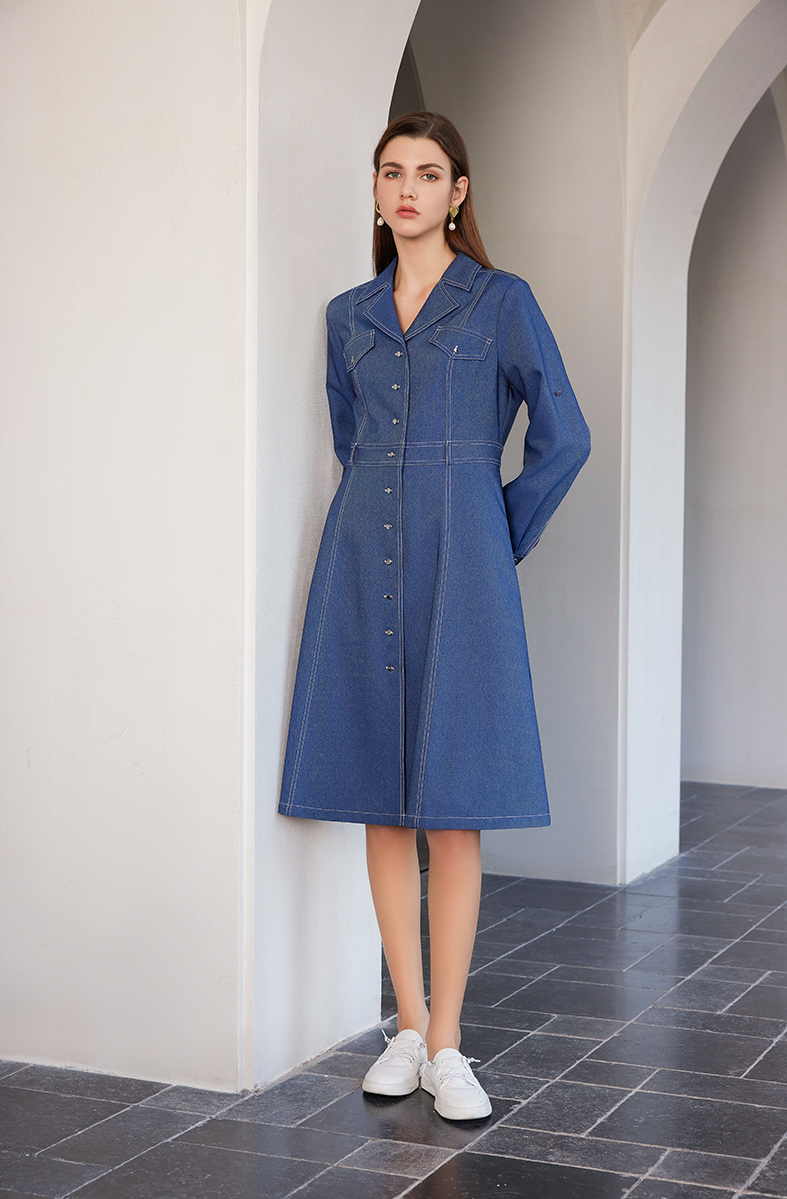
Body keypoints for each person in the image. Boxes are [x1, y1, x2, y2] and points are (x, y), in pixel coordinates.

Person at [279, 112, 590, 1121]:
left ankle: (449, 1040)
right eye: (390, 172)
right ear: (375, 192)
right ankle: (407, 1027)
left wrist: (495, 534)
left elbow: (565, 434)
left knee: (453, 806)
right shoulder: (347, 315)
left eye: (426, 172)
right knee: (383, 795)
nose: (406, 188)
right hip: (362, 556)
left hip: (464, 561)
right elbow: (351, 440)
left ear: (458, 192)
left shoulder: (501, 301)